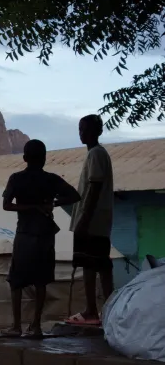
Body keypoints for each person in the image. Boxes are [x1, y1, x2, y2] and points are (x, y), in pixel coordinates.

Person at [1, 139, 81, 338]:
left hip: (25, 234)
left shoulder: (16, 178)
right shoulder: (51, 179)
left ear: (25, 158)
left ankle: (16, 326)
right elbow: (75, 196)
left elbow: (7, 205)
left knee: (17, 281)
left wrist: (29, 207)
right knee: (41, 281)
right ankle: (35, 326)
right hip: (45, 234)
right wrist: (51, 203)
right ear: (44, 159)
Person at [67, 114, 114, 326]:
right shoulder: (97, 154)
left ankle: (91, 311)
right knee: (102, 265)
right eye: (80, 129)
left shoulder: (96, 153)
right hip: (98, 222)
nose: (81, 133)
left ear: (98, 131)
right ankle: (111, 309)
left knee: (89, 265)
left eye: (85, 129)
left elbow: (94, 187)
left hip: (92, 221)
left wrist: (84, 219)